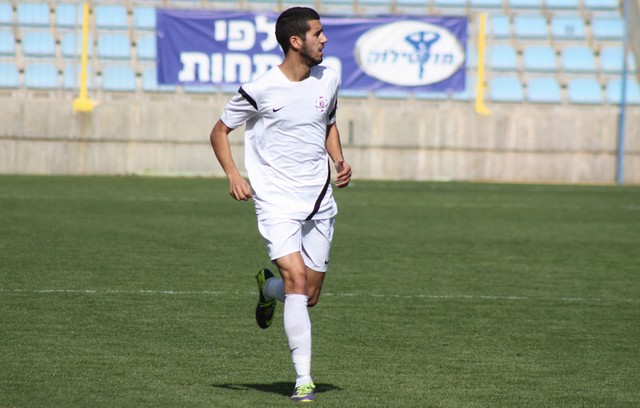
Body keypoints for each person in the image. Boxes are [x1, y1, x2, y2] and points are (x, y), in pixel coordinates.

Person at [209, 7, 352, 403]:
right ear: (295, 41)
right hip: (275, 200)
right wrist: (234, 175)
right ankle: (303, 379)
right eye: (318, 33)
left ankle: (267, 288)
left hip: (319, 199)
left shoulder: (329, 78)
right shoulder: (260, 88)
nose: (324, 40)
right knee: (297, 282)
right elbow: (219, 131)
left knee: (308, 295)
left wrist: (339, 161)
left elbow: (328, 123)